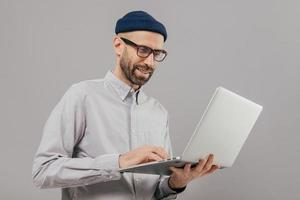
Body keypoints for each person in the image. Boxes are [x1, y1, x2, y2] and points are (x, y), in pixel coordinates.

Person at [32, 10, 219, 200]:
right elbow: (43, 171)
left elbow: (158, 192)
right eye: (143, 50)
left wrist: (175, 185)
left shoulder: (158, 112)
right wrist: (120, 162)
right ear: (118, 45)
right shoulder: (82, 96)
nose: (150, 62)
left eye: (157, 53)